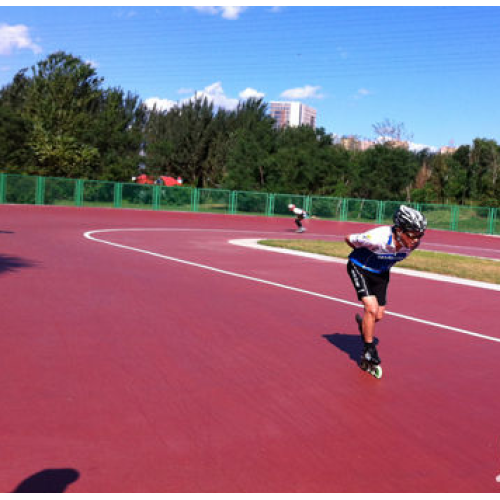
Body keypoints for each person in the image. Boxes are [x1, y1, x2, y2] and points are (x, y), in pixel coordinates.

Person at [344, 205, 427, 372]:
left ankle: (365, 327)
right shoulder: (377, 237)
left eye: (420, 235)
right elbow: (348, 238)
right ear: (399, 229)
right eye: (413, 235)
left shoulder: (412, 244)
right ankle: (368, 350)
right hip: (359, 268)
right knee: (371, 308)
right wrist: (362, 254)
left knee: (379, 315)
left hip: (381, 273)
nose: (416, 240)